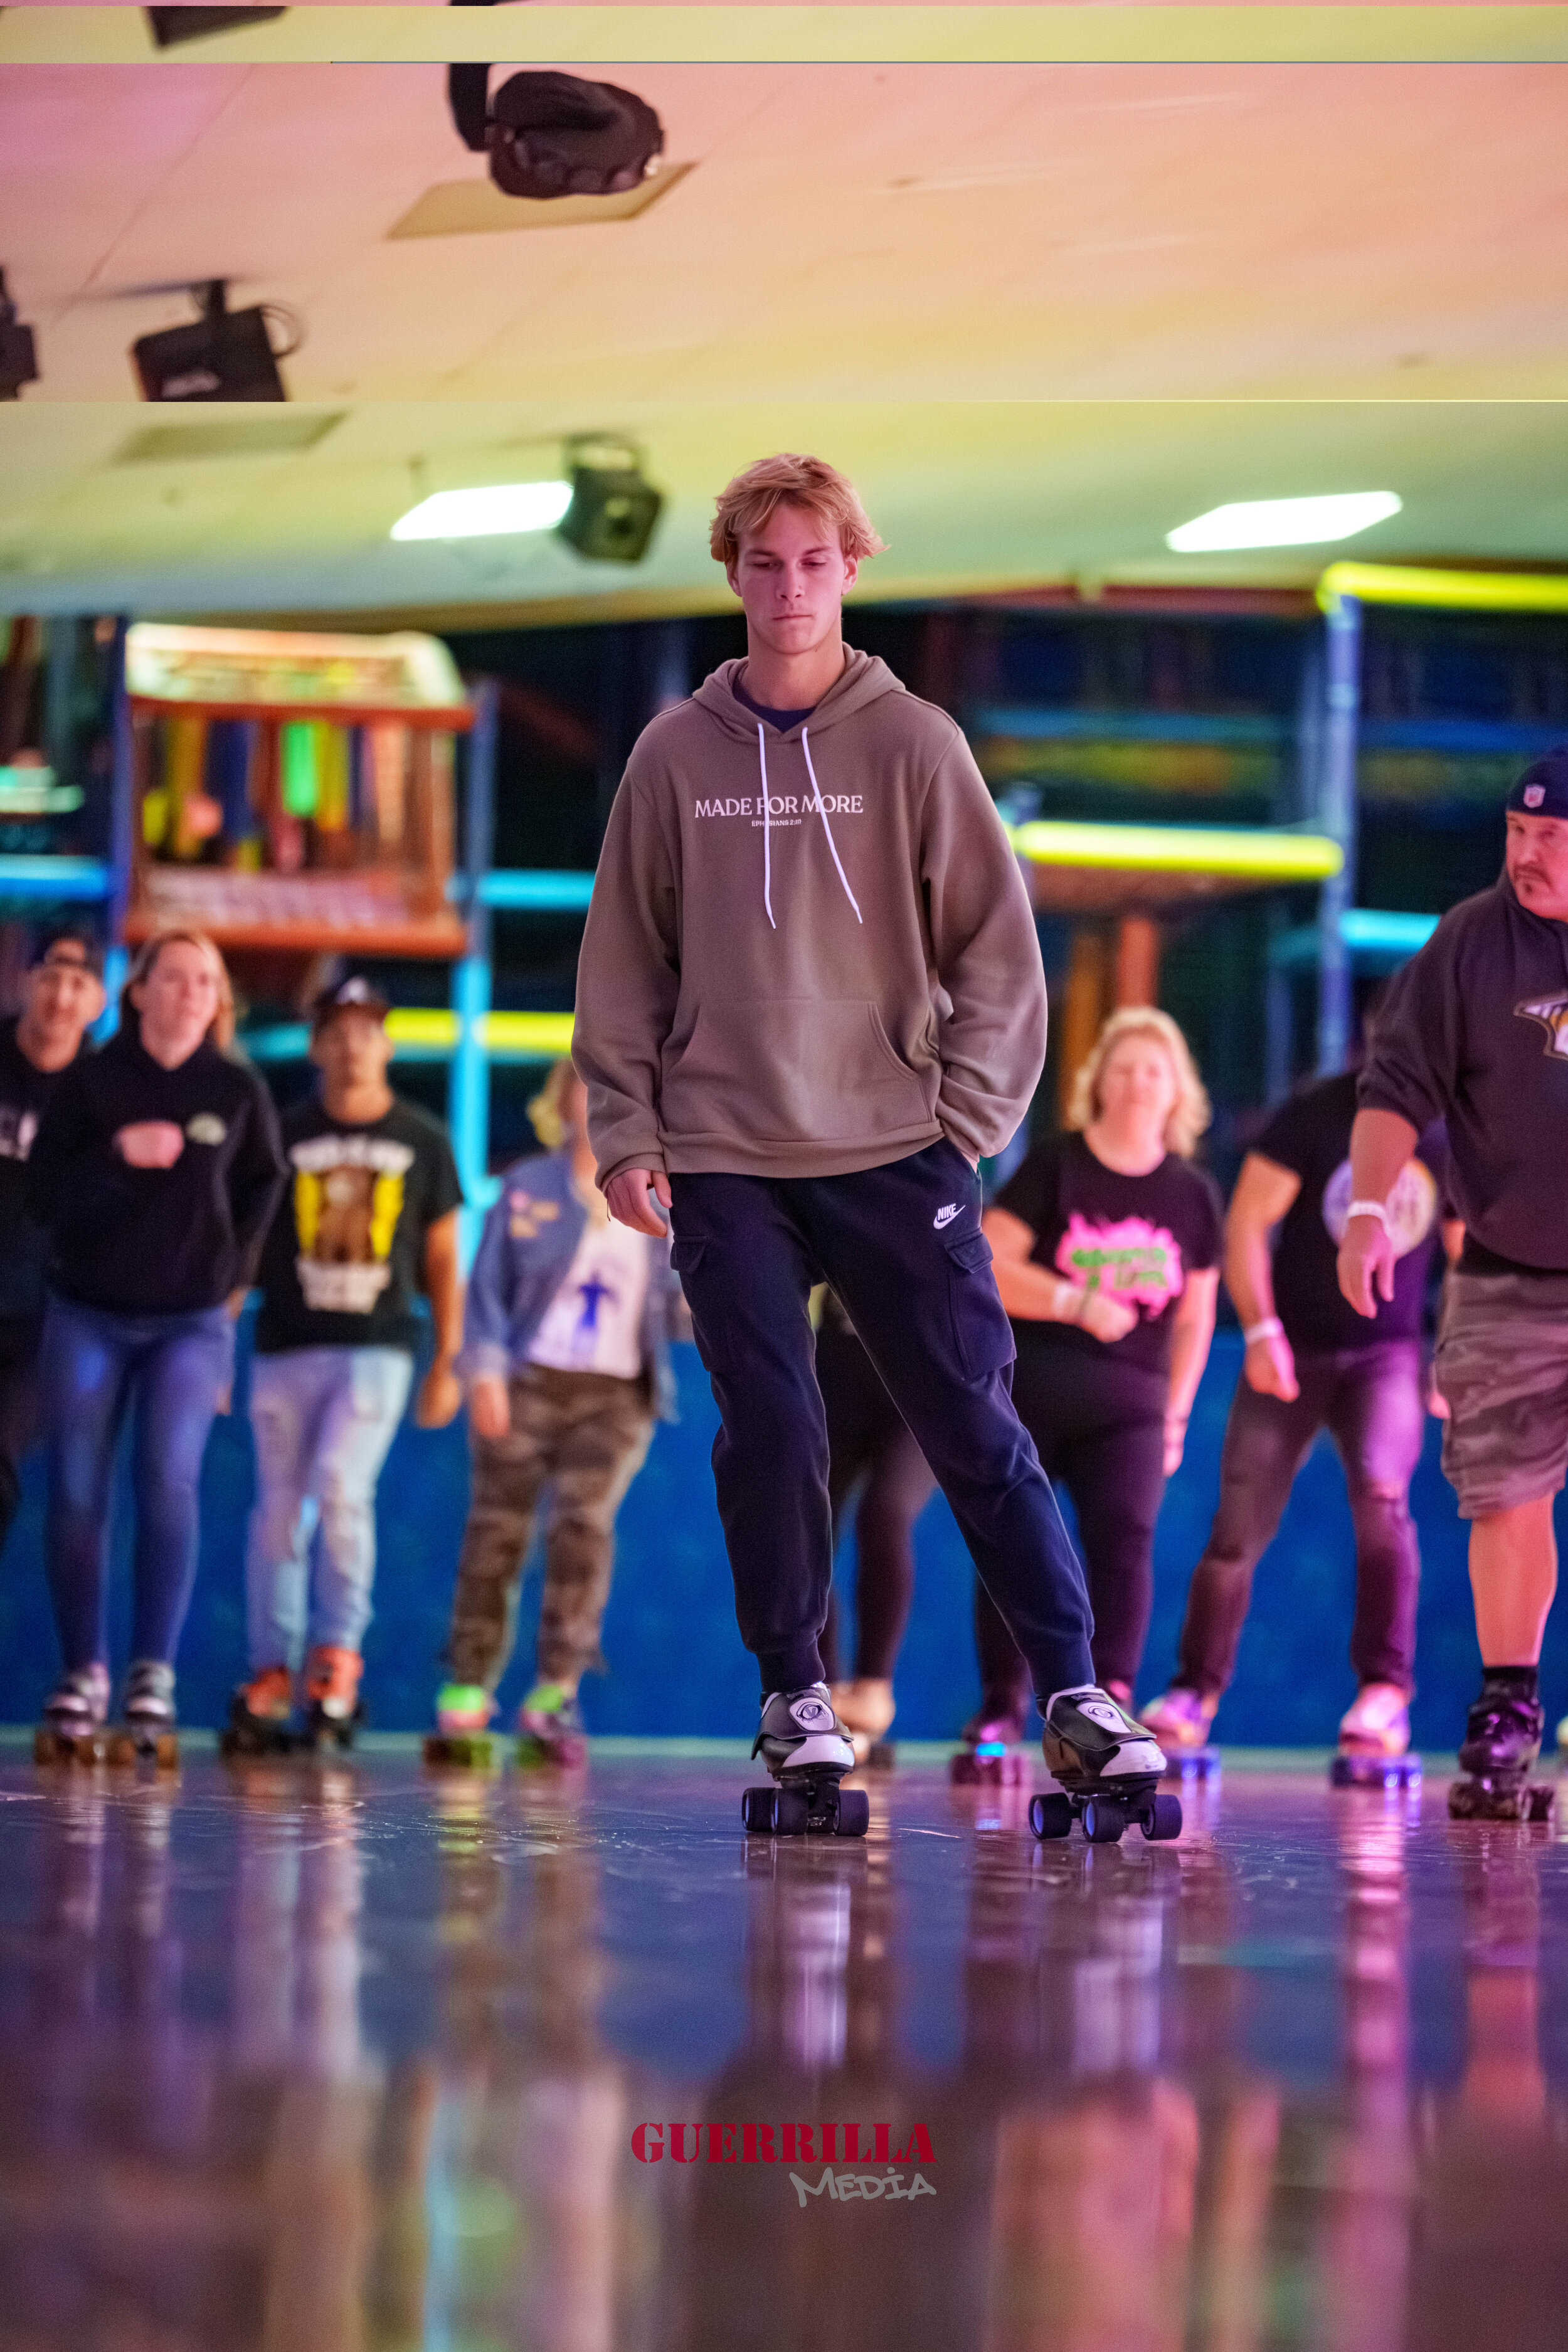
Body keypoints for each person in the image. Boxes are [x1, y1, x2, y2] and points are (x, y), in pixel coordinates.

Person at [573, 450, 1170, 1808]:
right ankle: (795, 1693)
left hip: (898, 1147)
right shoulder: (673, 756)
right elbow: (620, 964)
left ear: (851, 569)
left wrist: (959, 1119)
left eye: (814, 562)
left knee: (970, 1419)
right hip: (725, 1151)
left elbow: (998, 958)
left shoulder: (914, 745)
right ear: (731, 572)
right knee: (770, 1428)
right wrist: (626, 1129)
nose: (789, 588)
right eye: (764, 563)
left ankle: (1074, 1692)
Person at [1338, 747, 1568, 1814]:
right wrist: (1374, 1212)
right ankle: (1509, 1706)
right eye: (1519, 834)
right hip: (1511, 1271)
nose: (1528, 855)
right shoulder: (1473, 940)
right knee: (1506, 1495)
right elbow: (1397, 1084)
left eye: (1553, 839)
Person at [1143, 1059, 1452, 1764]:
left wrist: (1451, 1348)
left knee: (1383, 1496)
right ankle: (1194, 1691)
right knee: (1236, 1527)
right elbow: (1249, 1221)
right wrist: (1259, 1331)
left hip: (1388, 1354)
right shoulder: (1316, 1112)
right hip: (1292, 1345)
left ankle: (1384, 1692)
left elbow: (1464, 1253)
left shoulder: (1445, 1130)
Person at [28, 928, 286, 1742]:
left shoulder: (236, 1090)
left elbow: (264, 1188)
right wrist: (114, 1155)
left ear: (217, 1002)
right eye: (173, 978)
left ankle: (152, 1673)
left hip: (189, 1323)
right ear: (138, 991)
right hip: (88, 1313)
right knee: (75, 1489)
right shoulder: (91, 1083)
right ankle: (83, 1671)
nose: (189, 994)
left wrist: (230, 1283)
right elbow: (43, 1196)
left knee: (168, 1481)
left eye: (204, 983)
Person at [968, 1009, 1221, 1756]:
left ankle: (1108, 1698)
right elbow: (987, 1264)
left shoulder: (1192, 1193)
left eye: (1153, 1070)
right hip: (1037, 1398)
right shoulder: (1056, 1165)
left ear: (1177, 1091)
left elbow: (1194, 1320)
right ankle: (1001, 1705)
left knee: (1124, 1544)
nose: (1138, 1083)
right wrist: (1072, 1300)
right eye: (1123, 1068)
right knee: (1016, 1544)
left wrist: (1175, 1416)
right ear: (1097, 1084)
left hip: (1134, 1409)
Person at [230, 976, 464, 1747]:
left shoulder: (424, 1139)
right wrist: (213, 1340)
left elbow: (441, 1257)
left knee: (339, 1487)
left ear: (388, 1043)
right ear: (317, 1045)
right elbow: (247, 1245)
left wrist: (448, 1361)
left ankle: (337, 1658)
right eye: (338, 1029)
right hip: (285, 1343)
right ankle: (271, 1666)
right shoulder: (282, 1132)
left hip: (378, 1345)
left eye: (368, 1028)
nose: (353, 1043)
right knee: (276, 1512)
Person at [433, 1058, 685, 1762]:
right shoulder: (524, 1188)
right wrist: (480, 1374)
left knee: (583, 1529)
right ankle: (468, 1681)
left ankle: (556, 1688)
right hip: (527, 1382)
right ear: (562, 1100)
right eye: (584, 1083)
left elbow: (688, 1301)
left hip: (615, 1394)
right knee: (496, 1531)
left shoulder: (667, 1197)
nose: (598, 1098)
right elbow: (484, 1294)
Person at [0, 932, 105, 1561]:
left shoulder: (108, 1089)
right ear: (26, 981)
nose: (62, 996)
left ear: (97, 1001)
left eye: (78, 983)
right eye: (51, 977)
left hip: (46, 1320)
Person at [816, 1288, 937, 1764]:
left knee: (885, 1513)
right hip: (834, 1373)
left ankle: (872, 1687)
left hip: (919, 1389)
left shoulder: (961, 1210)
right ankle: (819, 1688)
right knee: (807, 1528)